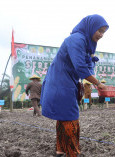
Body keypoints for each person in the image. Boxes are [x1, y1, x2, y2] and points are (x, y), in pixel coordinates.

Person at [40, 14, 109, 157]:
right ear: (91, 27)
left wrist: (92, 64)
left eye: (104, 32)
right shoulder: (76, 39)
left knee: (63, 116)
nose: (101, 35)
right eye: (99, 30)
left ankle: (60, 150)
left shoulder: (87, 44)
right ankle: (73, 153)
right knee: (71, 117)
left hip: (66, 82)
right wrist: (97, 83)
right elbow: (80, 68)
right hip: (60, 83)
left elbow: (87, 67)